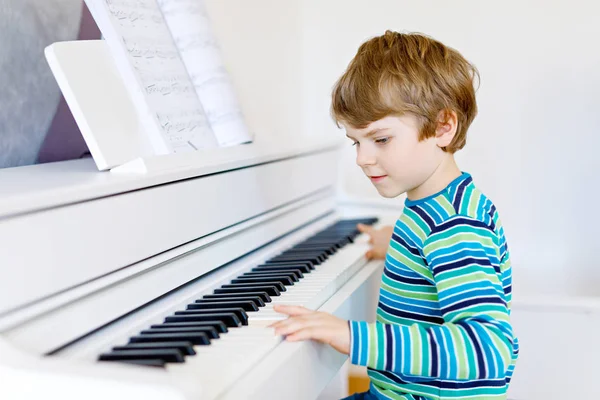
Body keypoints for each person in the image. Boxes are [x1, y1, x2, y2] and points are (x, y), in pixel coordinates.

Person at [270, 31, 519, 400]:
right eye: (357, 142)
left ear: (442, 127)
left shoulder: (454, 224)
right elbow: (437, 255)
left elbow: (488, 350)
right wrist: (402, 246)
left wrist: (353, 336)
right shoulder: (436, 209)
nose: (362, 158)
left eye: (380, 139)